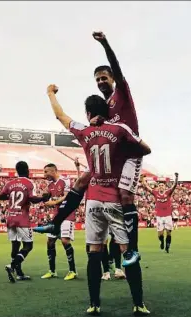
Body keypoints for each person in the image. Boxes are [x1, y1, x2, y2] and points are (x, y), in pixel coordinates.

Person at [34, 31, 143, 266]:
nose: (101, 82)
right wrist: (97, 121)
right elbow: (71, 119)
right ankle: (56, 222)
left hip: (130, 154)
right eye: (98, 79)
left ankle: (132, 249)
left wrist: (105, 44)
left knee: (124, 195)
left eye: (104, 78)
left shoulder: (121, 94)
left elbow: (117, 67)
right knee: (83, 180)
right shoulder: (105, 108)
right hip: (111, 155)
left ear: (112, 78)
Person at [45, 84, 151, 316]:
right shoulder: (118, 129)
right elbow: (145, 149)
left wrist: (51, 93)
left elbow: (60, 115)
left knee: (94, 252)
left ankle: (94, 303)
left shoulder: (84, 130)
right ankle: (138, 303)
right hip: (115, 201)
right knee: (127, 250)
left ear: (88, 113)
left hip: (92, 202)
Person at [0, 161, 50, 282]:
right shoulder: (28, 183)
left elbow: (1, 196)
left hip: (10, 217)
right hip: (22, 218)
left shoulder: (10, 183)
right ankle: (12, 265)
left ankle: (19, 273)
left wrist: (11, 195)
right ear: (27, 170)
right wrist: (43, 198)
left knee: (15, 245)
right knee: (28, 245)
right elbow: (32, 198)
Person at [40, 163, 77, 281]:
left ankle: (72, 271)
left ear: (53, 171)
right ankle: (52, 271)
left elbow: (67, 197)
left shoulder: (65, 180)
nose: (44, 175)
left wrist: (53, 203)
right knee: (50, 241)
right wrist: (45, 199)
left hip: (67, 214)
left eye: (46, 172)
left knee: (65, 241)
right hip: (57, 216)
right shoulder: (50, 185)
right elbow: (47, 198)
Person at [141, 173, 179, 253]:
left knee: (169, 232)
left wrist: (176, 178)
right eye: (160, 185)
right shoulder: (155, 193)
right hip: (159, 217)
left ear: (164, 186)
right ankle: (161, 241)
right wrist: (143, 179)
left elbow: (174, 186)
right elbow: (147, 187)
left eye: (162, 185)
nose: (161, 186)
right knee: (160, 234)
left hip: (168, 216)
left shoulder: (168, 192)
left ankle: (167, 246)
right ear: (158, 187)